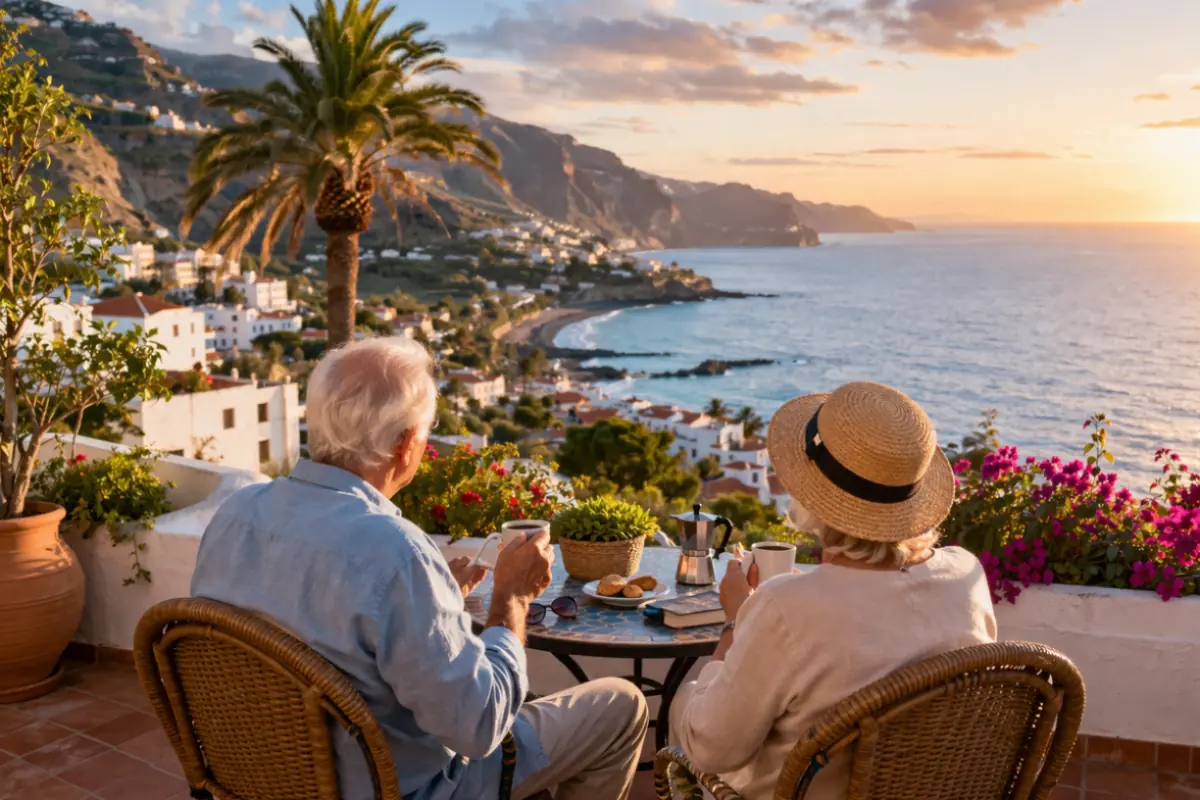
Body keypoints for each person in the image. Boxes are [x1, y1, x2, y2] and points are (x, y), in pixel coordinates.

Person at [191, 338, 647, 800]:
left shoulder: (236, 513)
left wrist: (431, 593)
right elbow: (479, 727)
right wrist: (513, 598)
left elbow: (309, 609)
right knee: (620, 706)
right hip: (404, 790)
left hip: (257, 781)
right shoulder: (396, 553)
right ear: (407, 444)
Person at [670, 381, 997, 800]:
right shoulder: (966, 577)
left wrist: (735, 622)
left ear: (812, 496)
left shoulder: (788, 608)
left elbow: (711, 750)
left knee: (684, 704)